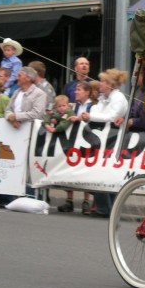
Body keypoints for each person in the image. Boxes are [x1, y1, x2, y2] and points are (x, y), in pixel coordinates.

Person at [0, 66, 47, 207]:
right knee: (13, 162)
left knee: (28, 165)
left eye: (19, 75)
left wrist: (17, 117)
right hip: (14, 133)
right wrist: (11, 118)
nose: (17, 78)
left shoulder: (39, 94)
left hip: (31, 134)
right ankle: (12, 194)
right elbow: (7, 110)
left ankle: (29, 194)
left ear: (28, 78)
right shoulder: (17, 92)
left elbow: (37, 113)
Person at [83, 69, 129, 217]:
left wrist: (91, 116)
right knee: (102, 172)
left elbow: (111, 116)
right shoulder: (104, 98)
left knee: (106, 173)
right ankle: (105, 207)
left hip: (113, 141)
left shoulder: (119, 98)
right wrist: (94, 115)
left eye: (103, 81)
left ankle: (105, 208)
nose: (100, 84)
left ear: (109, 84)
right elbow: (99, 111)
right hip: (103, 140)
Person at [57, 81, 96, 214]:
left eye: (79, 90)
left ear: (87, 92)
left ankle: (86, 201)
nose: (75, 92)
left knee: (85, 170)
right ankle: (69, 200)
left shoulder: (93, 106)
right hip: (74, 141)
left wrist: (79, 119)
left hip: (87, 142)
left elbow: (93, 121)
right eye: (76, 90)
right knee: (70, 168)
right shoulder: (75, 106)